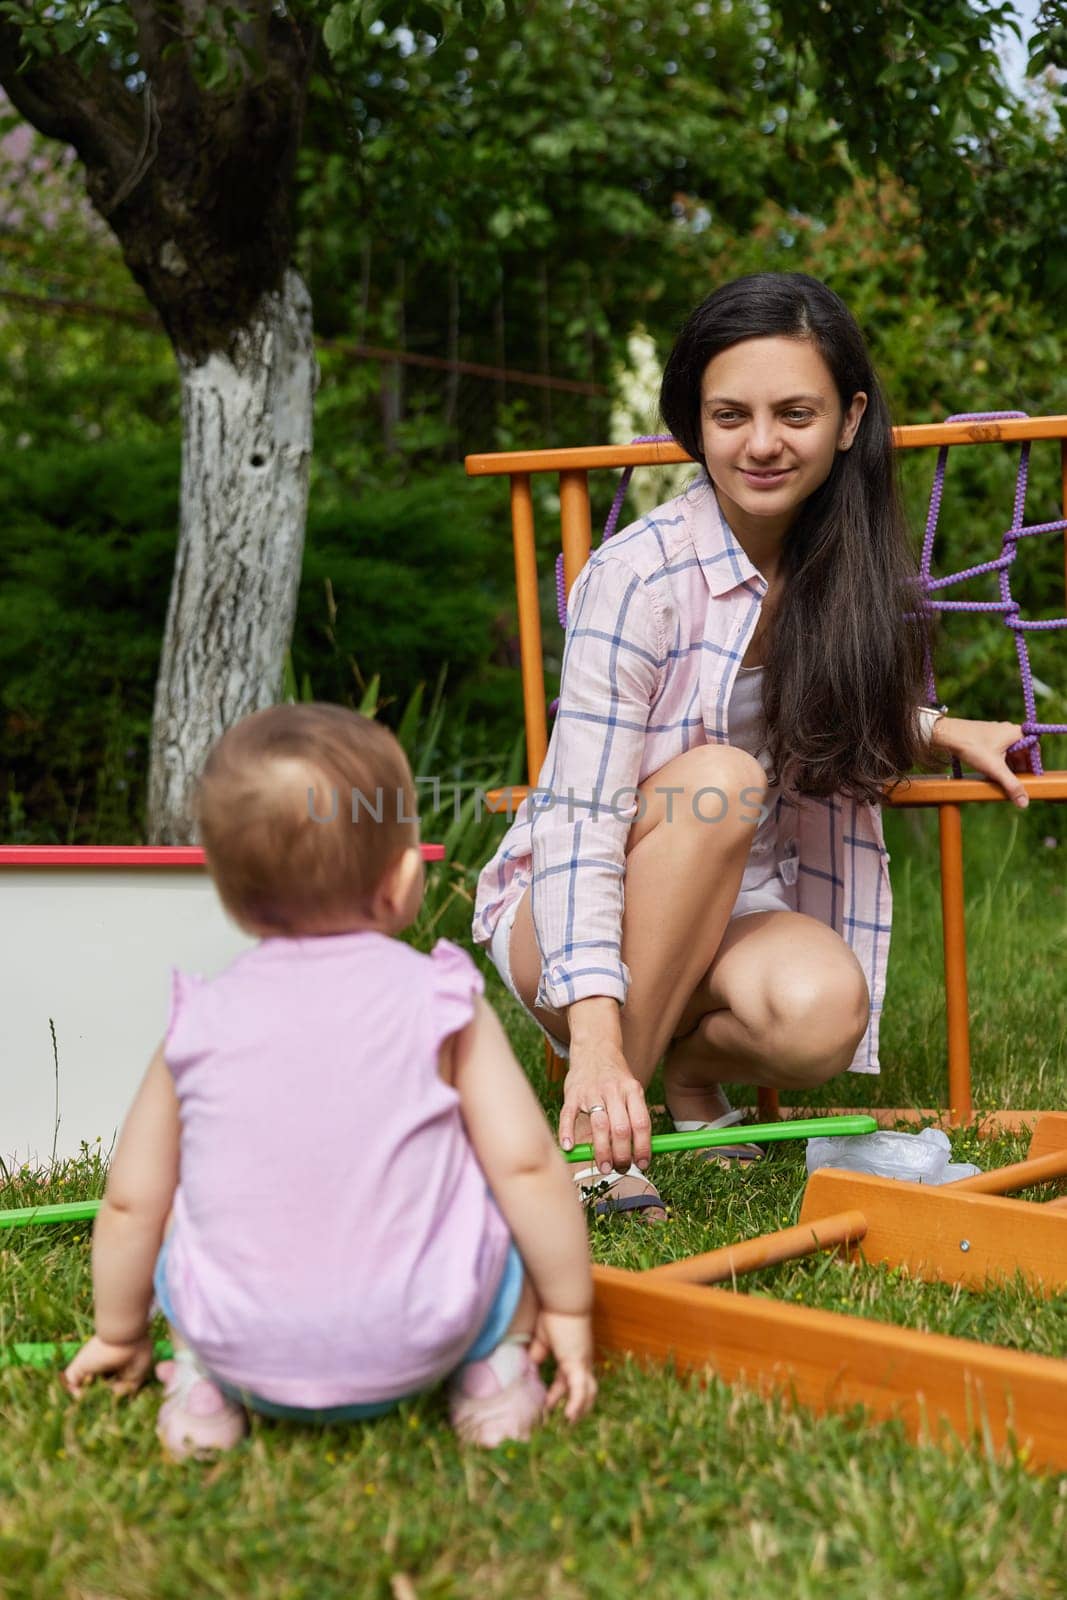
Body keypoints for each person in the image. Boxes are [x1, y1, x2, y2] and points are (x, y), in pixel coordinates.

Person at [473, 272, 1028, 1221]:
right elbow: (579, 823)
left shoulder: (841, 563)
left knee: (822, 1013)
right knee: (721, 785)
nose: (762, 443)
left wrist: (935, 728)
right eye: (729, 415)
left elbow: (811, 704)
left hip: (729, 901)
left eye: (794, 412)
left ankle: (674, 1081)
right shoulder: (638, 578)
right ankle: (591, 1132)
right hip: (571, 908)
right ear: (695, 423)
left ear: (849, 419)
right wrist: (596, 1037)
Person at [63, 705, 597, 1457]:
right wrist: (568, 1310)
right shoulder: (440, 999)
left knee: (183, 1210)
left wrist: (119, 1332)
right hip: (425, 1336)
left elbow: (128, 1202)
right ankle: (493, 1374)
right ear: (404, 877)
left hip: (239, 1345)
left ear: (226, 889)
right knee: (498, 1201)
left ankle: (203, 1391)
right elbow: (526, 1164)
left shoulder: (198, 1018)